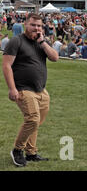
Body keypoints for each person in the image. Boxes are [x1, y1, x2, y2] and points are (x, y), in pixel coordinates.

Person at [3, 13, 59, 167]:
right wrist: (12, 88)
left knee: (35, 123)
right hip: (23, 89)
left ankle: (31, 153)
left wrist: (43, 42)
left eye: (39, 26)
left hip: (41, 90)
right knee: (32, 119)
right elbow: (6, 65)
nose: (36, 28)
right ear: (25, 24)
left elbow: (55, 57)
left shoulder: (42, 42)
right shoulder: (16, 41)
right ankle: (17, 150)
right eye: (33, 25)